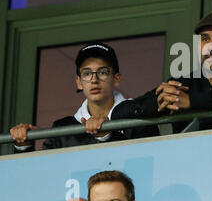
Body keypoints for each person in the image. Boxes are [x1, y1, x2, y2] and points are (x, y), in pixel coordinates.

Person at [112, 11, 212, 133]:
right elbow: (121, 111)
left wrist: (193, 101)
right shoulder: (183, 84)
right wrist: (158, 103)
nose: (210, 47)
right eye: (204, 39)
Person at [9, 42, 157, 152]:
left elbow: (146, 165)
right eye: (86, 73)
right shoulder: (63, 128)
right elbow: (47, 176)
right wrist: (23, 146)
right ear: (79, 82)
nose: (94, 80)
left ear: (117, 79)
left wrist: (106, 136)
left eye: (103, 72)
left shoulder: (139, 119)